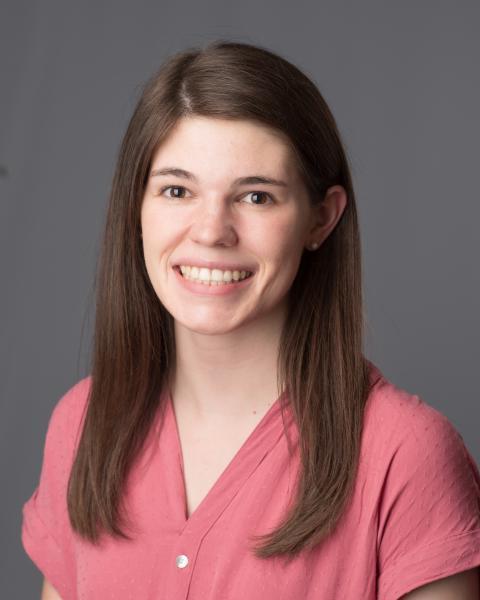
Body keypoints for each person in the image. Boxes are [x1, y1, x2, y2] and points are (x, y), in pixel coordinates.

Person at [21, 40, 480, 600]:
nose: (212, 230)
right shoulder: (82, 424)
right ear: (135, 208)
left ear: (321, 219)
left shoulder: (405, 455)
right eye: (176, 190)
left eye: (256, 197)